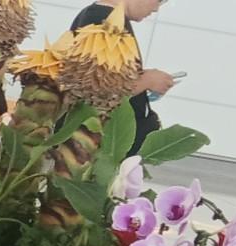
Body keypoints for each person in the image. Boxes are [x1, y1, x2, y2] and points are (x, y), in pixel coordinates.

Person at [71, 0, 175, 155]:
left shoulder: (107, 18)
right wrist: (147, 80)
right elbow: (98, 90)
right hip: (103, 150)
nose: (156, 8)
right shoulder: (104, 21)